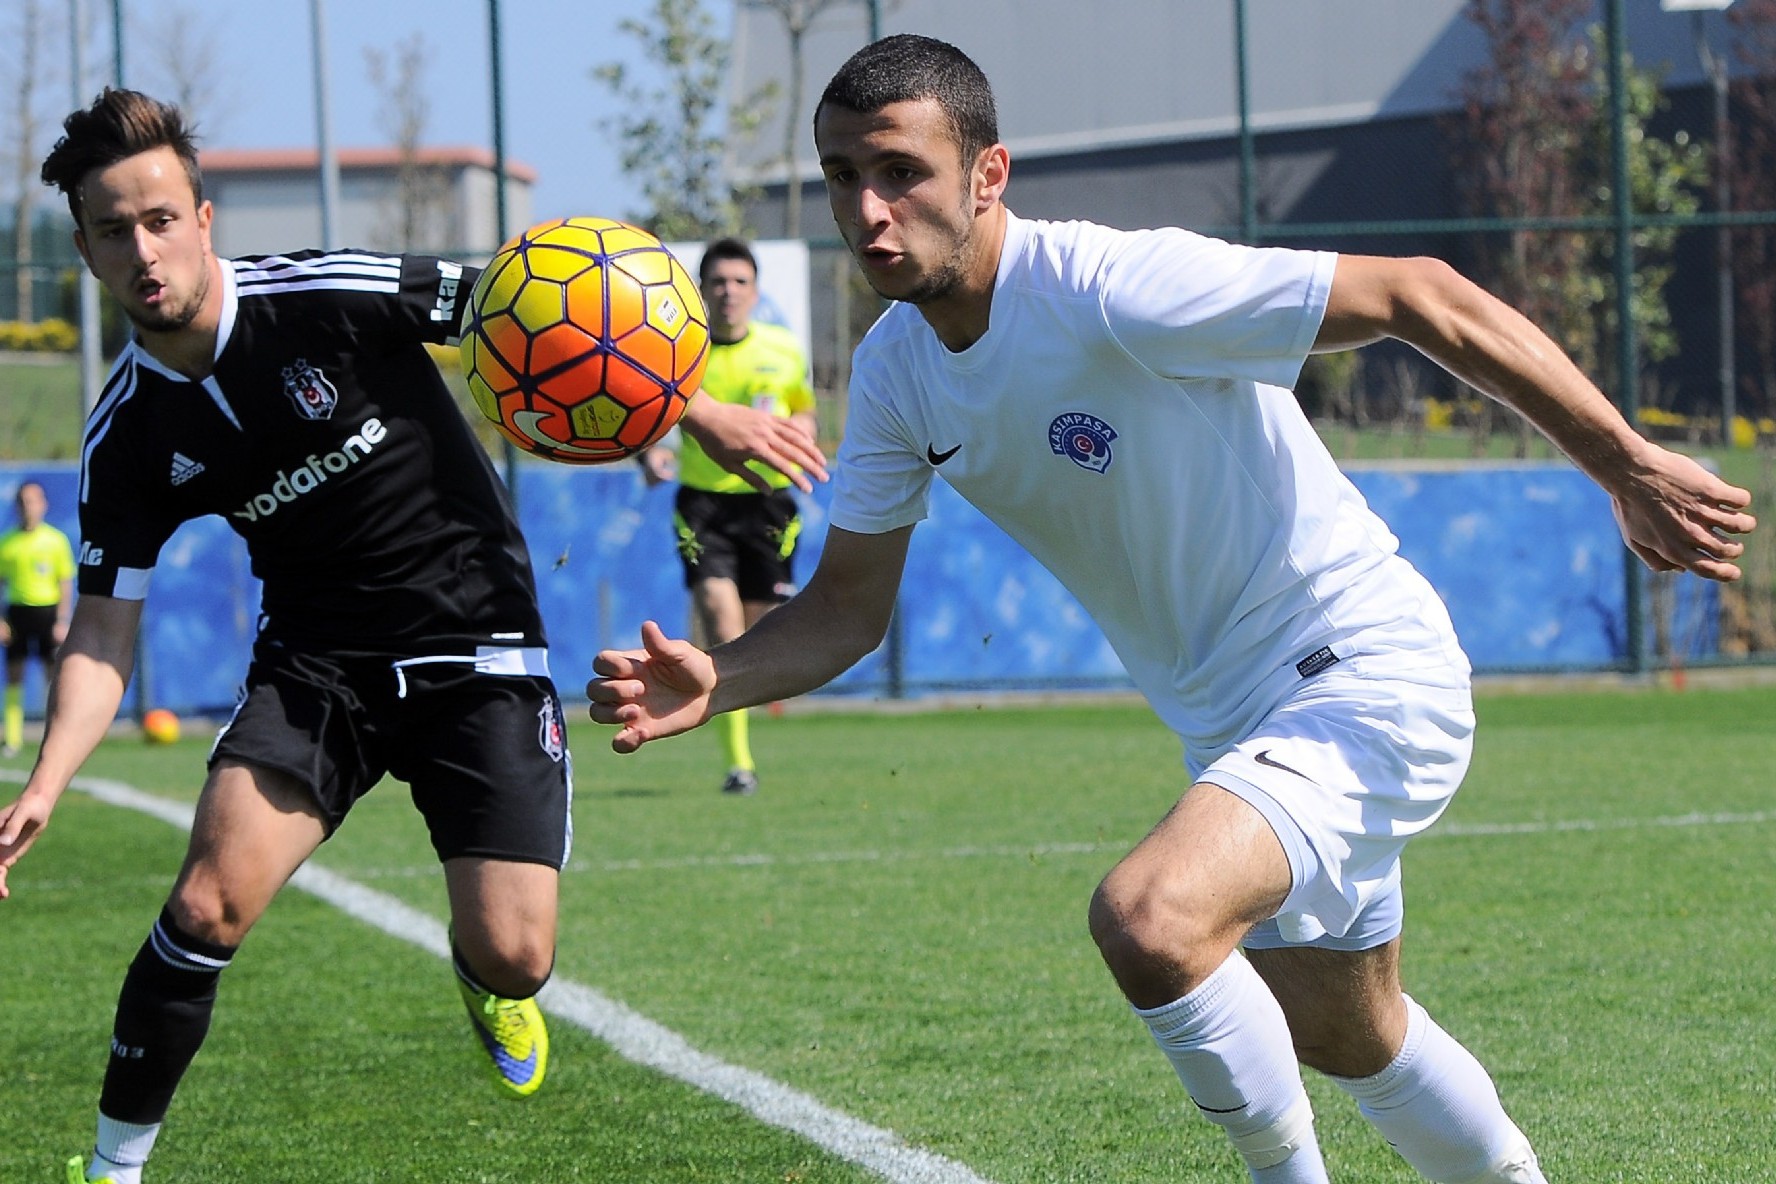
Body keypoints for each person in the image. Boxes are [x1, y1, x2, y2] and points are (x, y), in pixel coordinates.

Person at [588, 34, 1756, 1184]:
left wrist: (1623, 461)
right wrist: (723, 674)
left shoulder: (1107, 284)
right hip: (1236, 722)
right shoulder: (895, 370)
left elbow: (1419, 293)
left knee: (1150, 917)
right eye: (844, 175)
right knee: (1350, 1030)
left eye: (902, 170)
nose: (868, 209)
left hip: (1362, 669)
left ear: (990, 175)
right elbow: (847, 607)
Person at [0, 88, 825, 1184]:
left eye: (159, 218)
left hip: (477, 645)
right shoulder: (128, 435)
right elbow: (103, 628)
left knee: (519, 951)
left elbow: (540, 311)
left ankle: (486, 979)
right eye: (113, 229)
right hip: (316, 670)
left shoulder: (328, 294)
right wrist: (50, 774)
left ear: (203, 216)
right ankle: (111, 1166)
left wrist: (701, 407)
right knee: (206, 900)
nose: (142, 248)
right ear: (89, 252)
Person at [640, 237, 818, 796]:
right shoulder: (680, 353)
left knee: (762, 626)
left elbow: (802, 405)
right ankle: (740, 764)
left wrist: (805, 432)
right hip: (703, 504)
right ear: (700, 291)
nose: (729, 292)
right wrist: (650, 453)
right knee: (722, 621)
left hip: (768, 501)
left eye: (740, 281)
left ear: (755, 291)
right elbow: (645, 412)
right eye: (718, 281)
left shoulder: (783, 348)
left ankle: (752, 701)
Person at [0, 480, 76, 759]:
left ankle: (54, 738)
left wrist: (62, 619)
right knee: (14, 677)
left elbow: (65, 581)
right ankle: (13, 738)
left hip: (47, 613)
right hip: (17, 614)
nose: (27, 508)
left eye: (33, 501)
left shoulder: (55, 540)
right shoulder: (7, 542)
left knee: (53, 678)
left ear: (43, 505)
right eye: (22, 502)